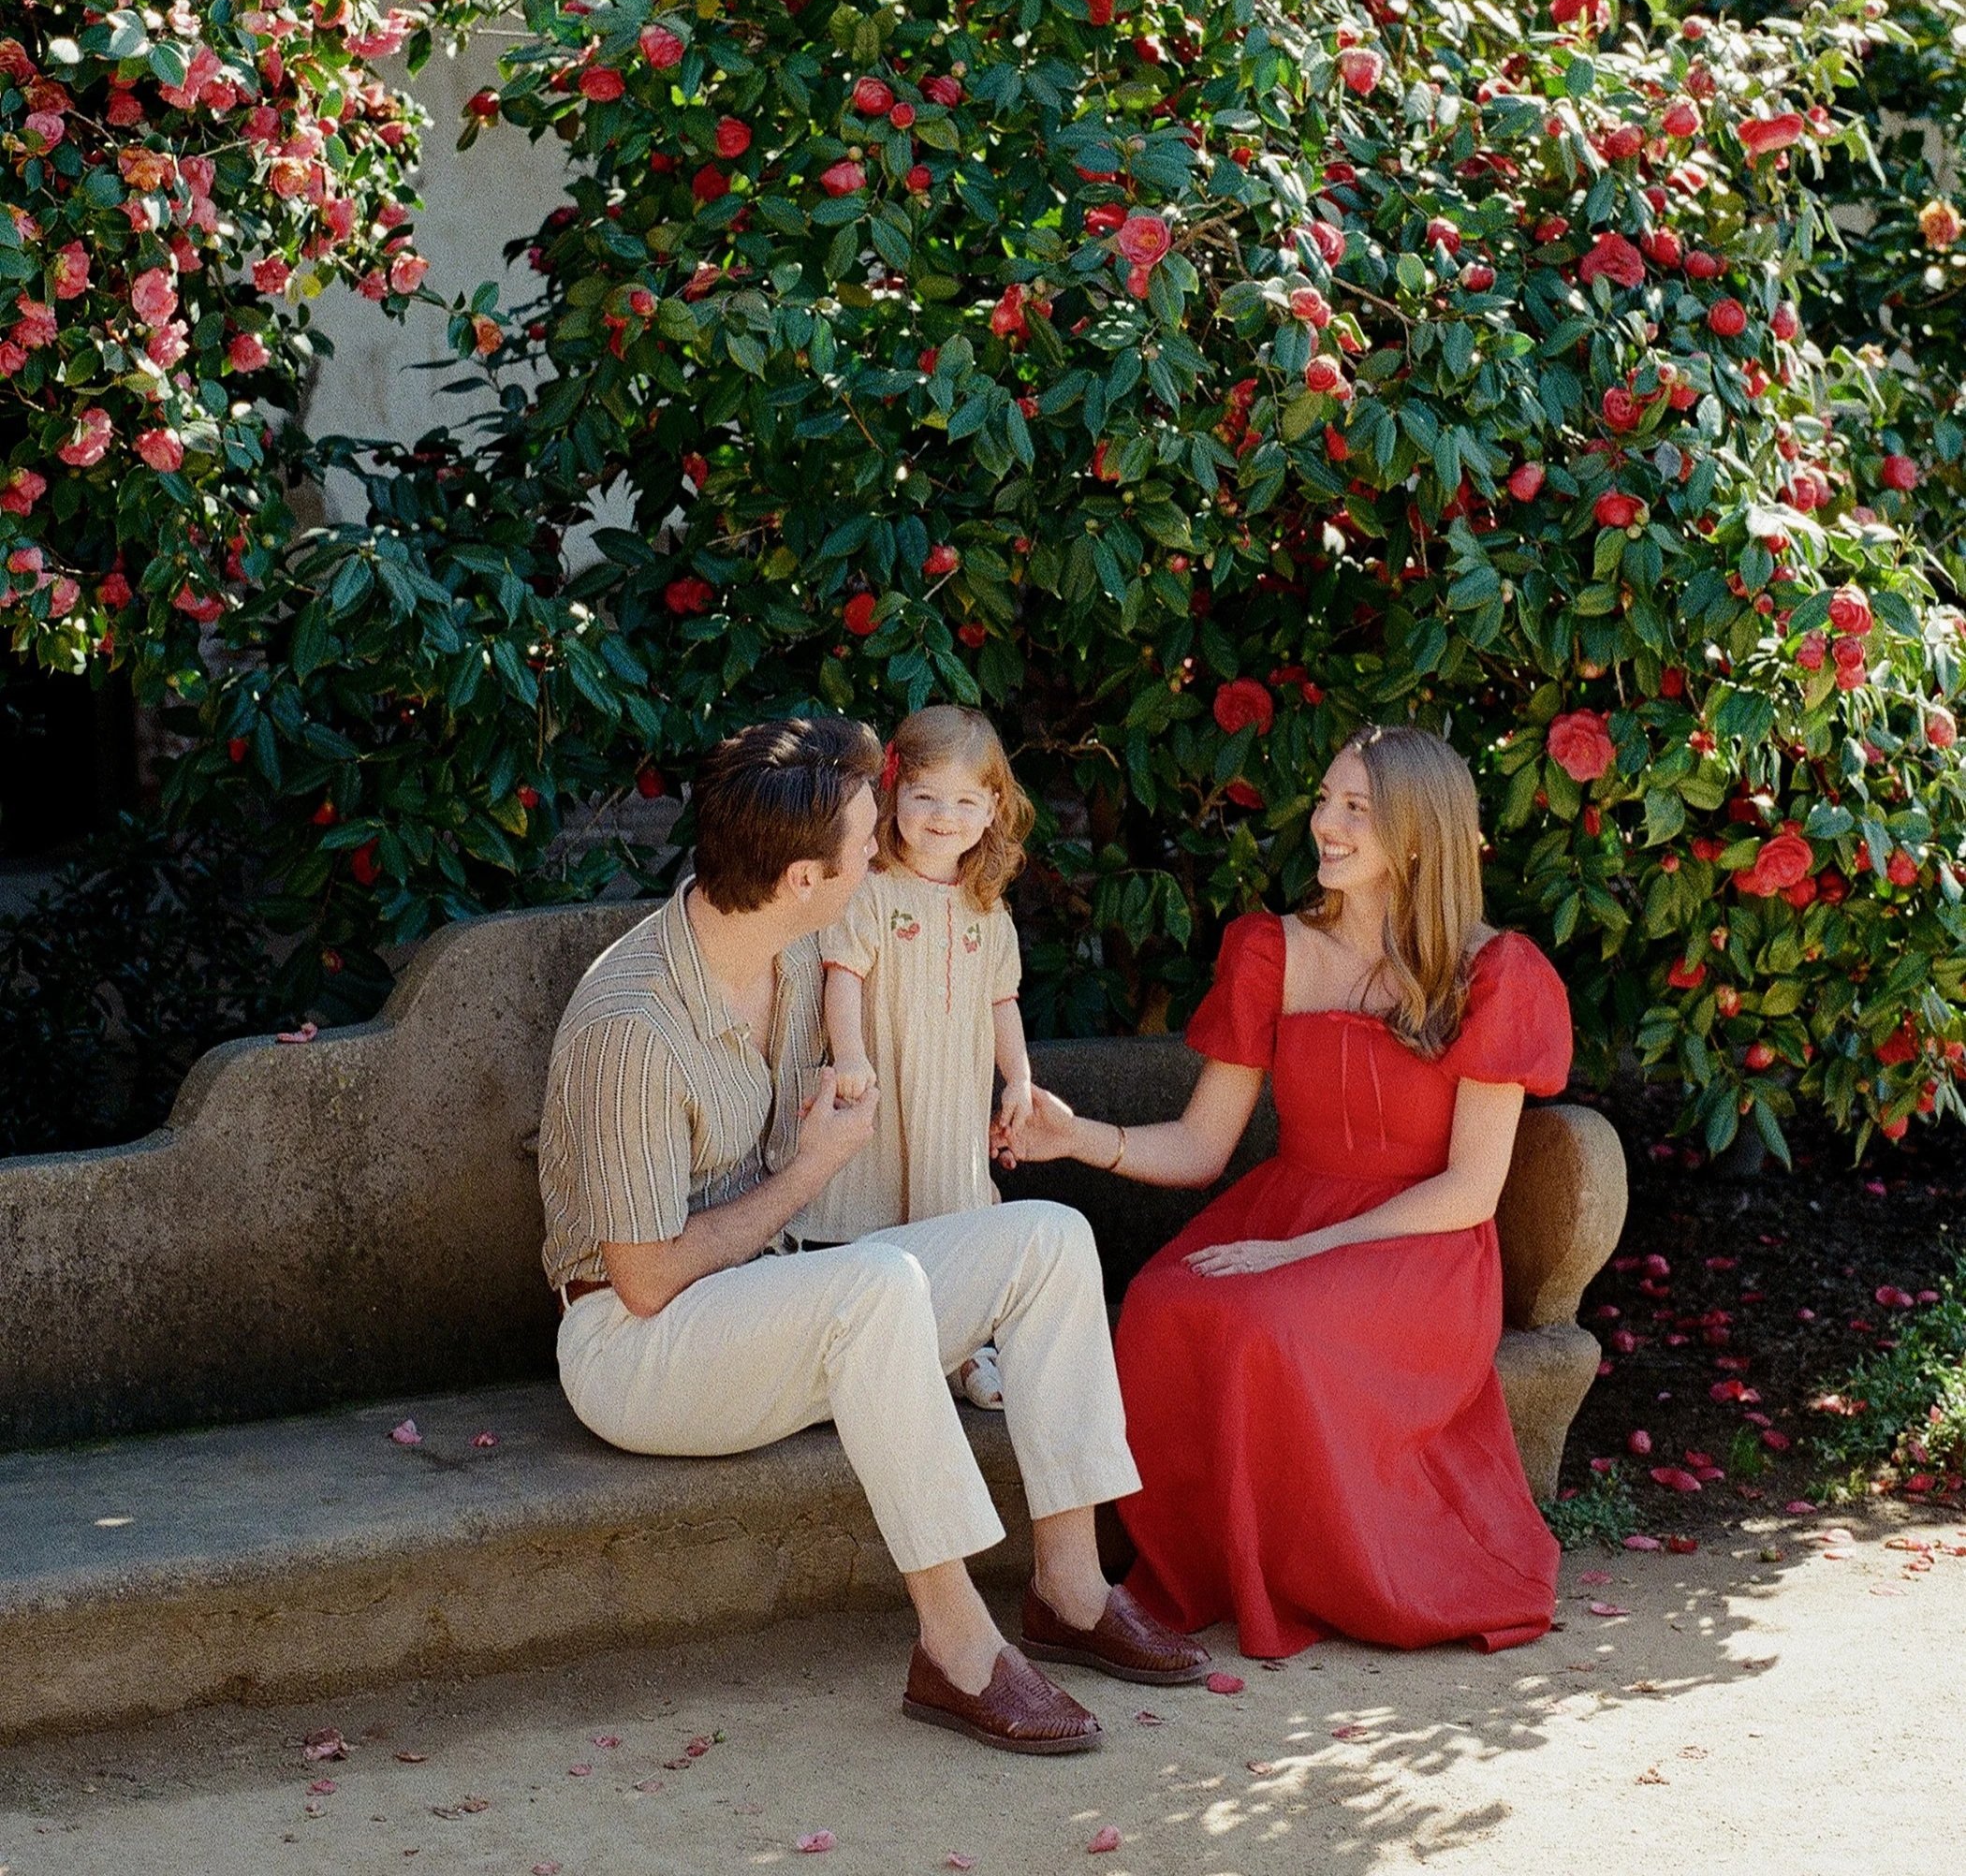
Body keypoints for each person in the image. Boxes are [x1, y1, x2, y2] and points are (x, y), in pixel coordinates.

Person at [535, 714, 1209, 1754]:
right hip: (638, 1347)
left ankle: (1072, 1588)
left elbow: (948, 987)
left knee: (1049, 1239)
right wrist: (812, 1169)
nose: (882, 858)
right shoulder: (635, 1025)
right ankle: (957, 1648)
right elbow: (644, 1276)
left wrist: (1017, 1097)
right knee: (877, 1286)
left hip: (779, 1299)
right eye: (865, 846)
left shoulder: (796, 952)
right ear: (805, 877)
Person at [1005, 722, 1573, 1657]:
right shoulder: (1272, 948)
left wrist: (1301, 1254)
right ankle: (1209, 1571)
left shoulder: (1493, 972)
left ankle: (1325, 1576)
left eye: (1358, 809)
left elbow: (1472, 1188)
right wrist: (1078, 1139)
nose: (1327, 825)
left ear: (1421, 833)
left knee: (1275, 1318)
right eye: (1325, 801)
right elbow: (1199, 1144)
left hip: (1416, 1246)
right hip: (1288, 1204)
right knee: (1161, 1302)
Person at [801, 706, 1037, 1411]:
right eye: (926, 796)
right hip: (884, 1082)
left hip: (951, 1098)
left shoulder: (988, 909)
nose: (944, 816)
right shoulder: (870, 893)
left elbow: (1002, 1001)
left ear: (994, 808)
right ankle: (884, 1353)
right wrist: (849, 1054)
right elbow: (841, 975)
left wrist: (1019, 1078)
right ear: (893, 797)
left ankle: (965, 1349)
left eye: (966, 801)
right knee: (879, 1214)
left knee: (952, 1212)